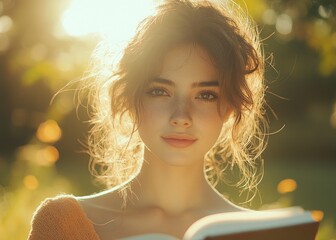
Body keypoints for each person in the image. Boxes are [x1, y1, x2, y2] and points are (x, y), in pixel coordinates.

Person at [28, 0, 267, 239]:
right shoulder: (61, 225)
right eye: (160, 91)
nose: (181, 117)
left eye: (205, 95)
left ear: (229, 107)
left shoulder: (261, 233)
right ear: (130, 99)